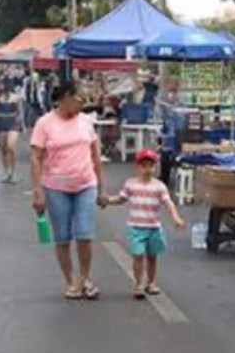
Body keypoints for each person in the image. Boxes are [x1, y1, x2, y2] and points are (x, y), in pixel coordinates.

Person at [30, 80, 105, 301]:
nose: (82, 104)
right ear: (65, 98)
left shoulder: (85, 122)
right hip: (55, 187)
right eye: (79, 99)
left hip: (85, 184)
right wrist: (37, 192)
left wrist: (102, 187)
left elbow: (96, 155)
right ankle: (70, 281)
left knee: (85, 234)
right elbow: (36, 158)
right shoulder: (44, 123)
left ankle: (85, 279)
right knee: (62, 237)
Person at [102, 148, 185, 299]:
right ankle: (139, 284)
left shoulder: (159, 186)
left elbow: (168, 203)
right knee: (138, 255)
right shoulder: (131, 184)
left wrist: (176, 218)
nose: (147, 169)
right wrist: (108, 200)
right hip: (136, 227)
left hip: (153, 227)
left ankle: (151, 282)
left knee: (152, 256)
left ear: (155, 167)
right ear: (137, 167)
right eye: (144, 165)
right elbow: (121, 198)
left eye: (151, 166)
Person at [0, 76, 23, 183]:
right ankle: (6, 172)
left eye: (4, 84)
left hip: (12, 123)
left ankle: (12, 172)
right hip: (1, 122)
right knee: (3, 150)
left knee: (11, 147)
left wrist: (20, 123)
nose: (2, 86)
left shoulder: (16, 97)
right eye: (2, 84)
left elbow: (20, 112)